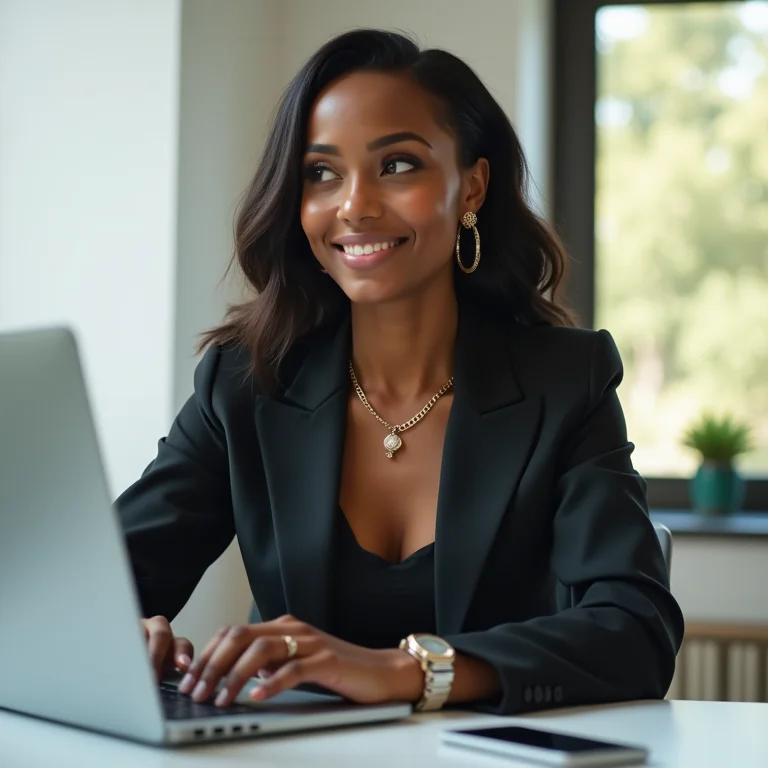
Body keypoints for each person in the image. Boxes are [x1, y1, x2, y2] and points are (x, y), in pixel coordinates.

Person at [117, 28, 684, 715]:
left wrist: (410, 670)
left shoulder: (567, 382)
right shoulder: (244, 385)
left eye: (398, 165)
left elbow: (634, 631)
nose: (354, 204)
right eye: (321, 173)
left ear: (471, 185)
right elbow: (94, 588)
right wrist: (118, 630)